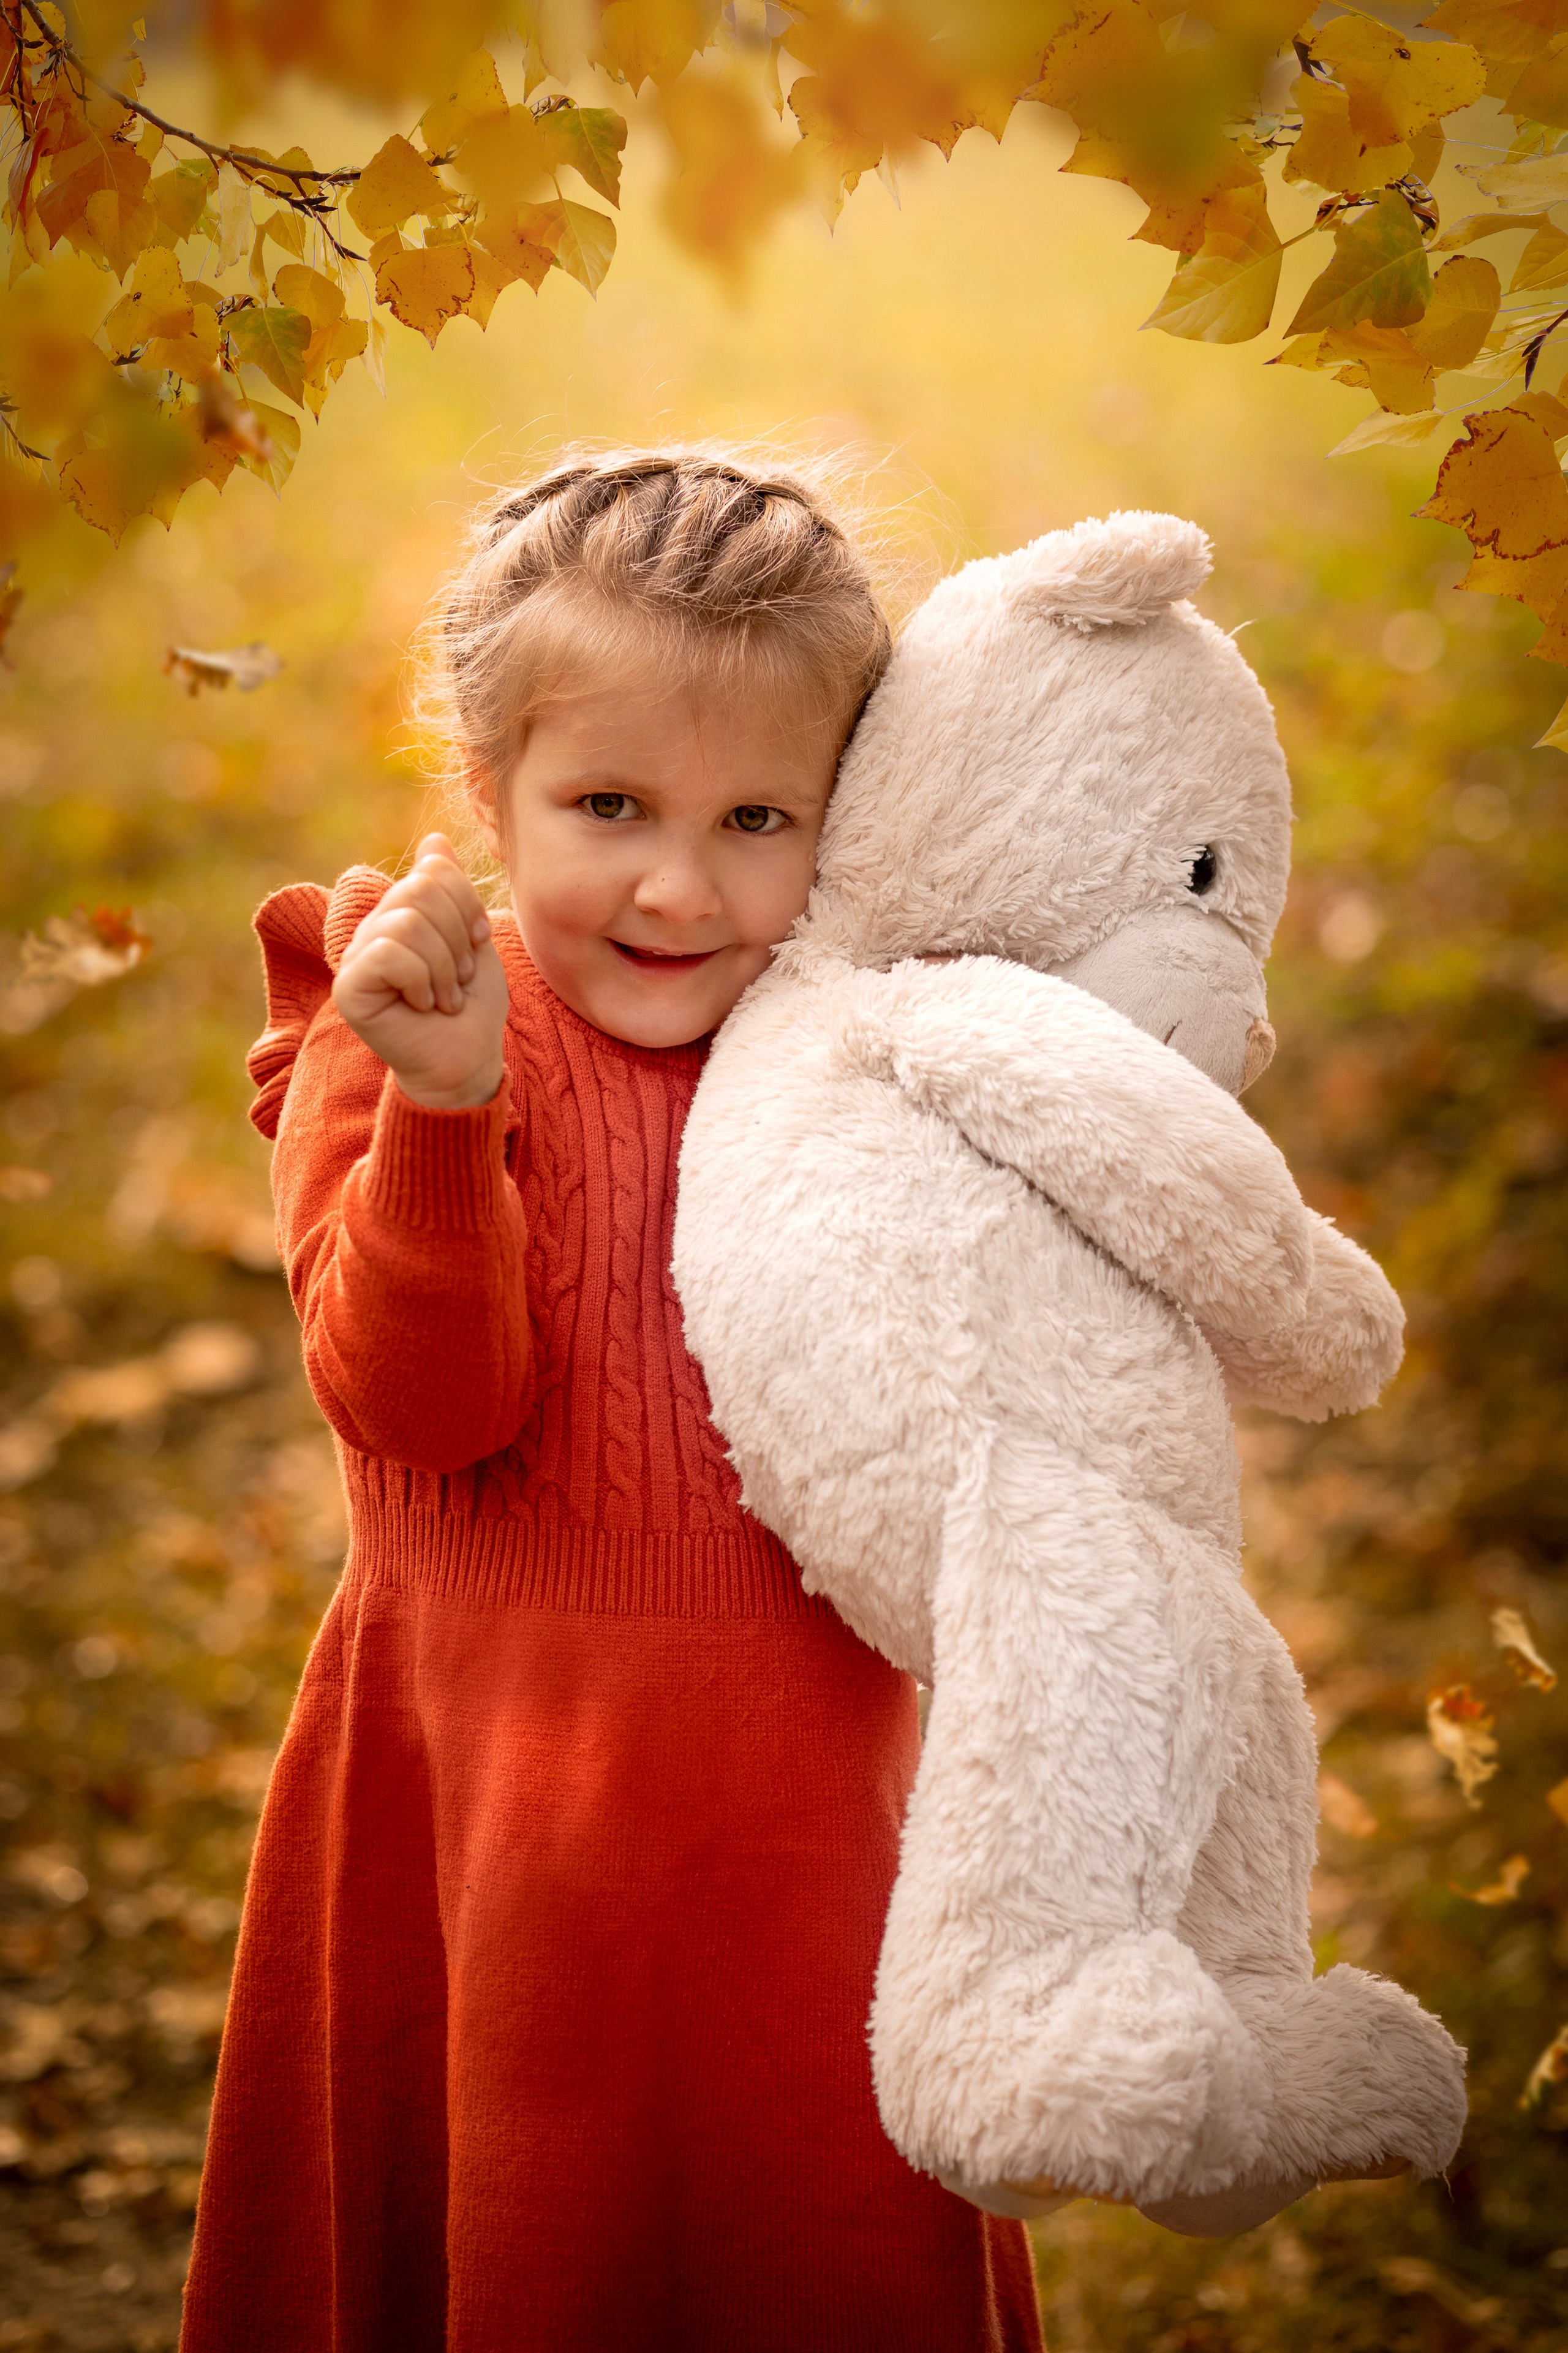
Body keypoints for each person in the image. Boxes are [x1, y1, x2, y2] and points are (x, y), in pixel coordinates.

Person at [180, 449, 1046, 2353]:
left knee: (812, 2244)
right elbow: (420, 1405)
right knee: (513, 2242)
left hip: (811, 1829)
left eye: (758, 815)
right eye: (607, 806)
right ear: (487, 798)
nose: (679, 881)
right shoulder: (395, 1027)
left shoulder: (863, 1063)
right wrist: (439, 1104)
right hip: (488, 1831)